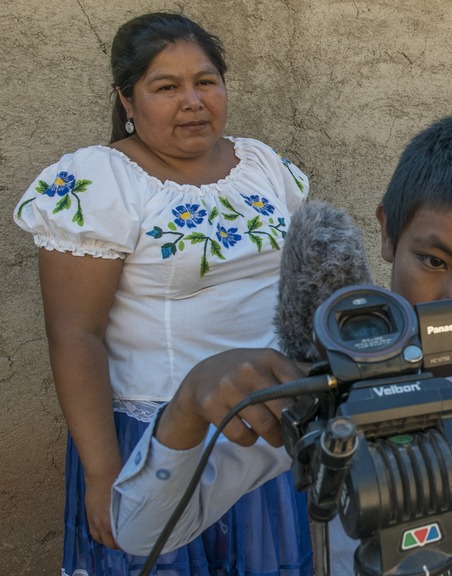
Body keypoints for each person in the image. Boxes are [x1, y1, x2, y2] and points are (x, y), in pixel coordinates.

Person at [109, 115, 452, 575]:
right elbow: (142, 534)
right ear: (388, 233)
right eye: (434, 262)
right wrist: (186, 409)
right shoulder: (325, 376)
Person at [12, 12, 313, 575]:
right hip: (158, 440)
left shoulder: (265, 168)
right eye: (166, 87)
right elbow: (74, 335)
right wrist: (105, 474)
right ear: (127, 100)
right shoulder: (101, 184)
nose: (193, 101)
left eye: (205, 81)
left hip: (262, 427)